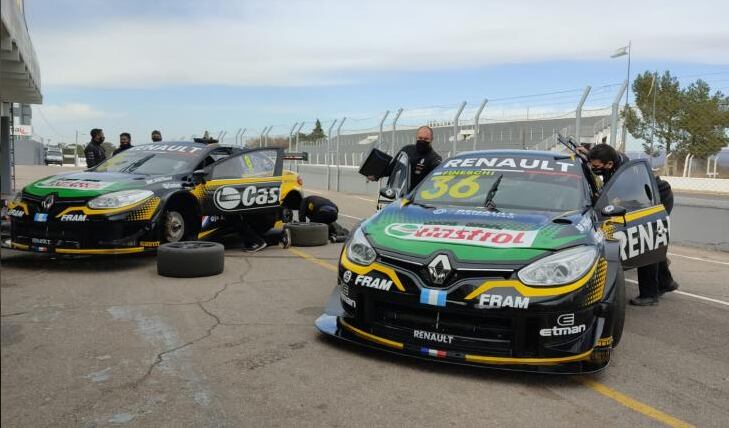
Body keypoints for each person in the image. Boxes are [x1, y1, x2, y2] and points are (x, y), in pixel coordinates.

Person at [587, 144, 678, 306]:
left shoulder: (626, 175)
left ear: (609, 164)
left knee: (646, 244)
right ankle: (666, 282)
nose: (593, 168)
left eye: (596, 166)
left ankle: (649, 295)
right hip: (643, 199)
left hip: (658, 198)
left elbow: (623, 198)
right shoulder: (612, 160)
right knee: (655, 242)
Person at [368, 125, 442, 192]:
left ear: (431, 139)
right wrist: (375, 175)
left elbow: (437, 184)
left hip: (418, 199)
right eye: (420, 138)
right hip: (400, 196)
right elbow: (392, 168)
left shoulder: (435, 159)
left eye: (426, 139)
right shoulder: (407, 150)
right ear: (416, 137)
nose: (422, 141)